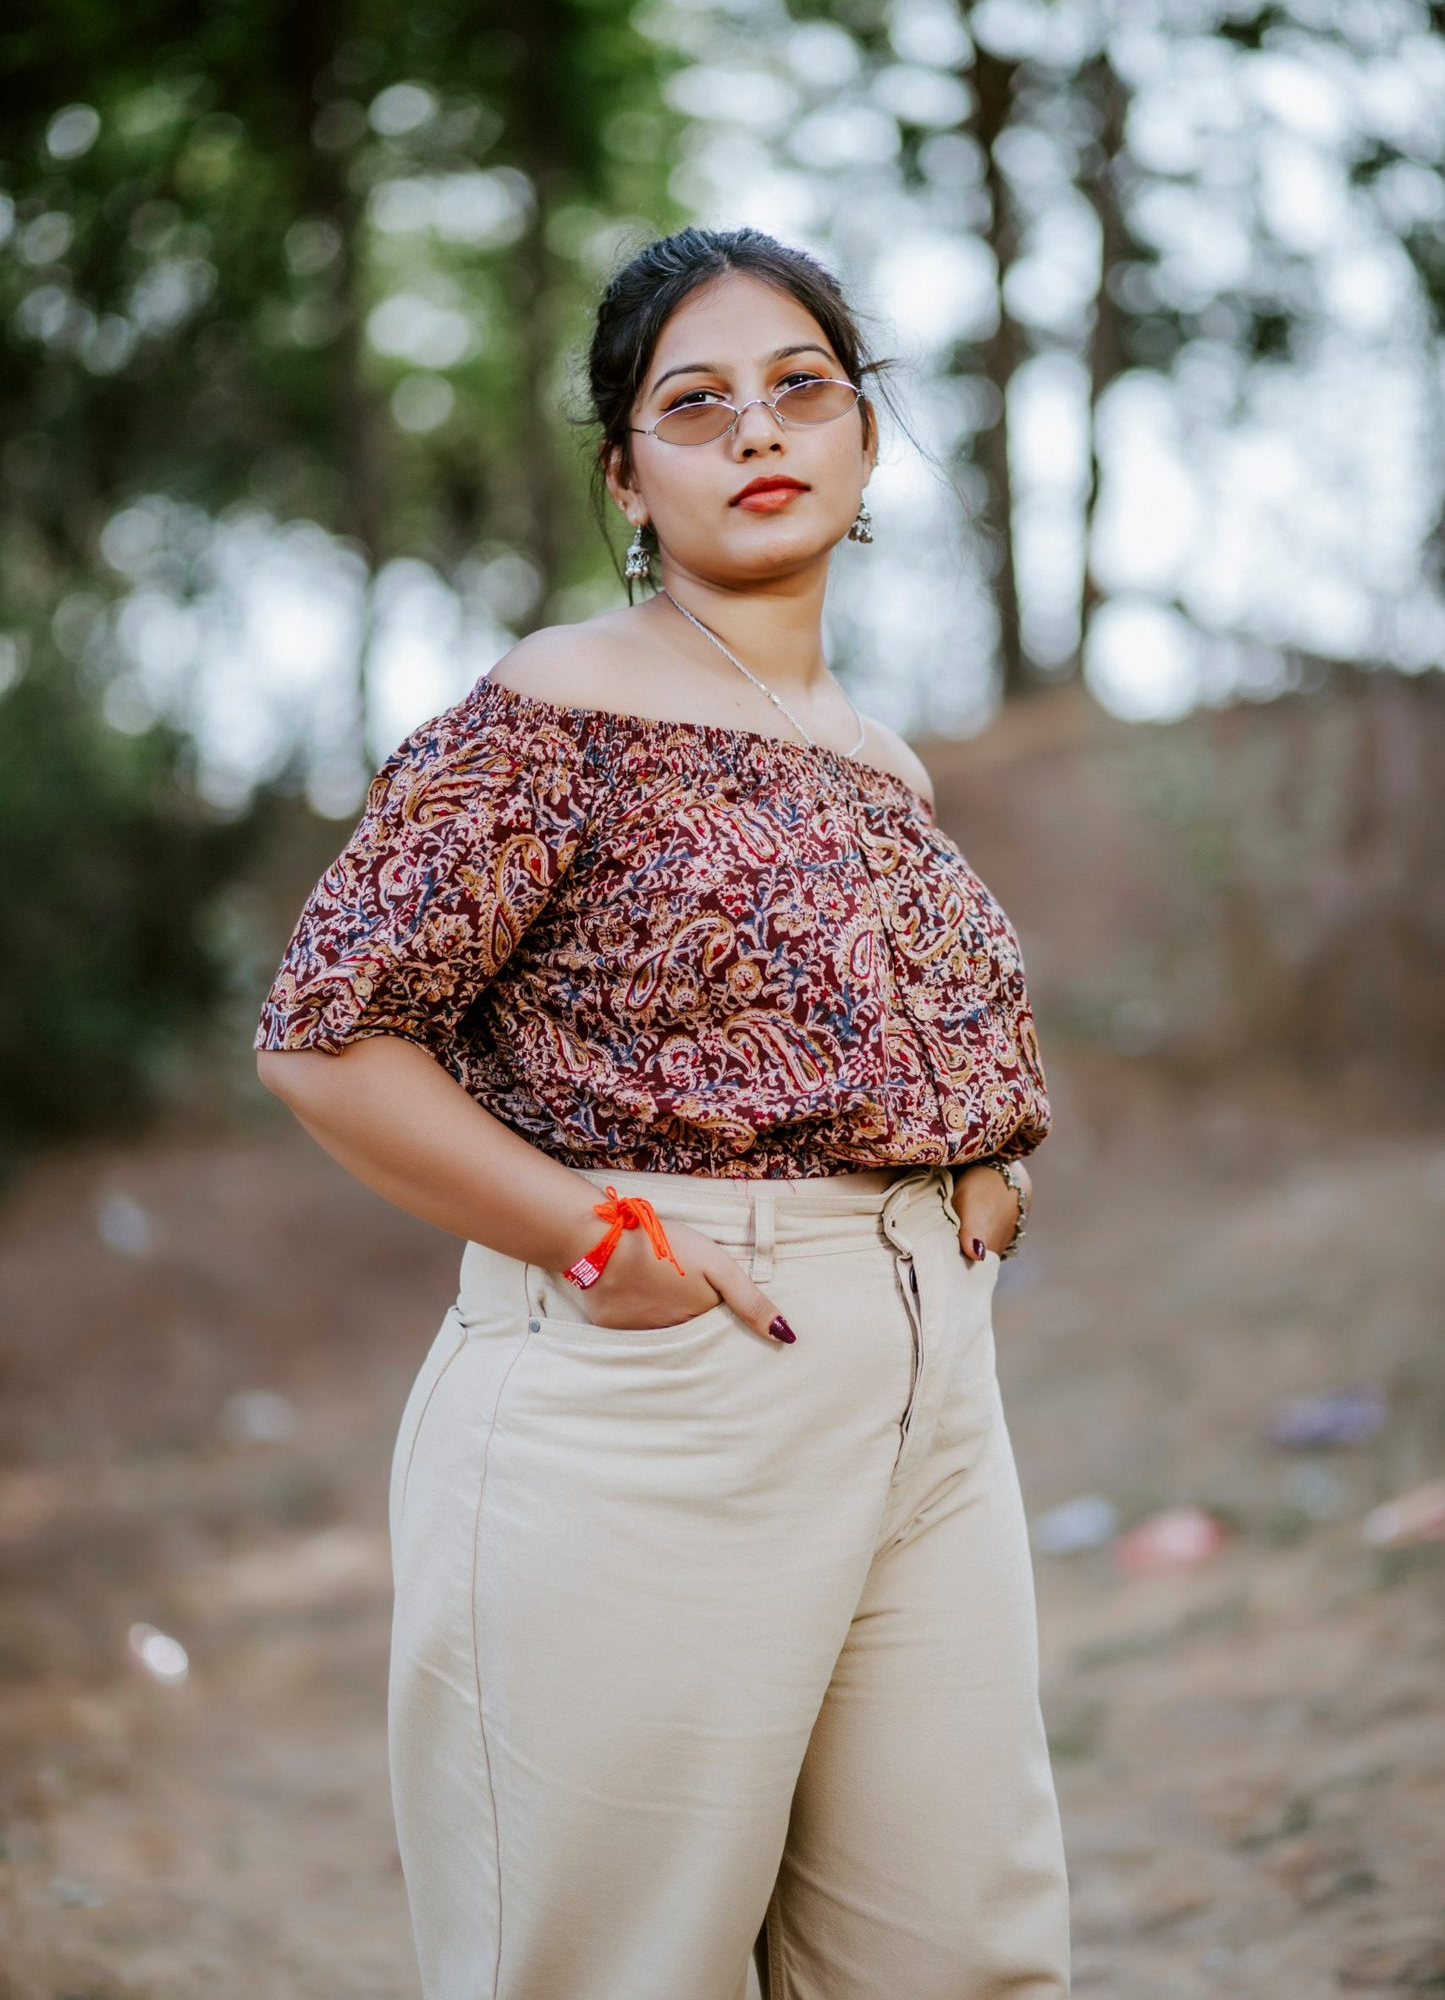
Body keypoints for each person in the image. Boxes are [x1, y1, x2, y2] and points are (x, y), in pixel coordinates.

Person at [254, 224, 1071, 2000]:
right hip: (659, 1388)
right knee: (618, 1969)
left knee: (958, 1959)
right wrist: (591, 1235)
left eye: (801, 391)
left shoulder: (876, 751)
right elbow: (327, 1034)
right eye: (692, 405)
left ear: (862, 442)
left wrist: (978, 1170)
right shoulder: (554, 704)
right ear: (627, 472)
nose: (756, 433)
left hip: (928, 1389)